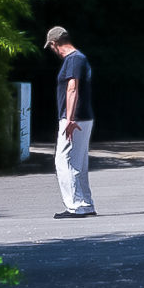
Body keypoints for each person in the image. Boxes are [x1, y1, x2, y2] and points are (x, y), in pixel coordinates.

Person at [45, 26, 96, 218]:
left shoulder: (73, 59)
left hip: (73, 118)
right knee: (79, 161)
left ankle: (74, 206)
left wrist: (70, 118)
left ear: (54, 43)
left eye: (51, 46)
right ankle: (85, 203)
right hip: (85, 116)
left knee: (63, 161)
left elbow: (72, 88)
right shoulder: (80, 58)